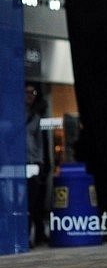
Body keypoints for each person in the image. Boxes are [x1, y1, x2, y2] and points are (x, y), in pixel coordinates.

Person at [25, 83, 48, 246]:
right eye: (26, 92)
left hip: (32, 162)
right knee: (20, 201)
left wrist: (41, 162)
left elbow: (40, 143)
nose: (29, 95)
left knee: (32, 200)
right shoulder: (14, 115)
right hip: (17, 162)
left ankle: (32, 235)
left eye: (32, 93)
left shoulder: (36, 117)